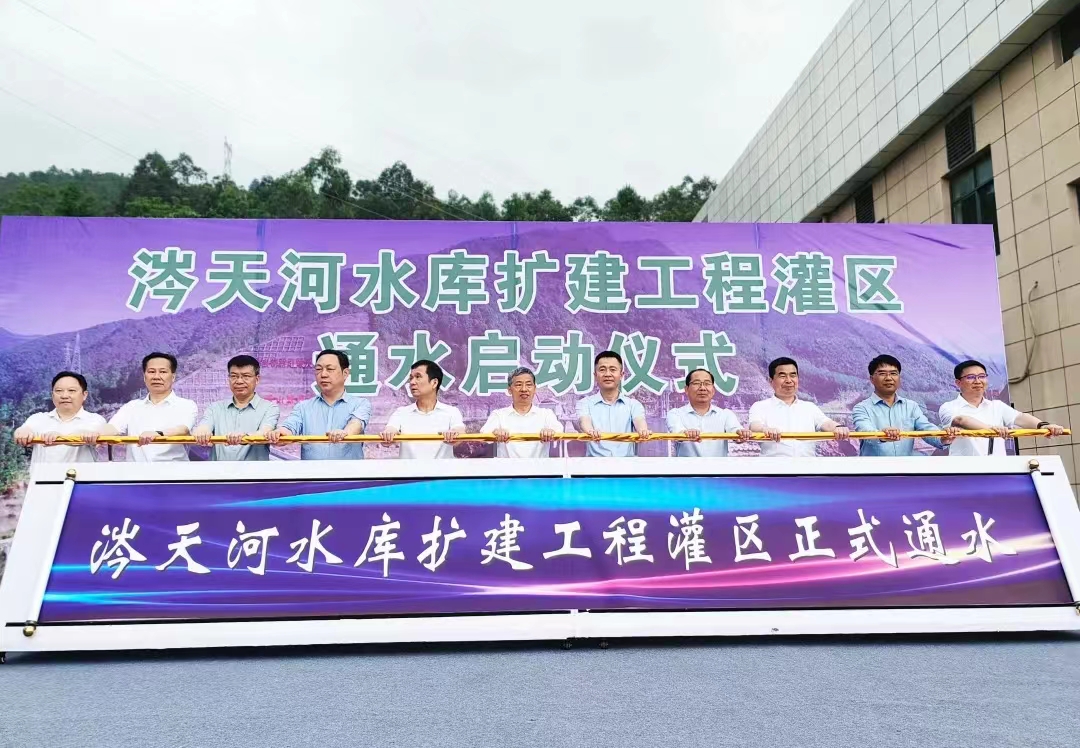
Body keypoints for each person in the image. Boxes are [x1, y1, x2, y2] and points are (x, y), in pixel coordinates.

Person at [939, 359, 1064, 456]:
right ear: (958, 383)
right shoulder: (949, 407)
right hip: (964, 472)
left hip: (998, 469)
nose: (977, 381)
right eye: (971, 377)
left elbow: (1020, 417)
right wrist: (992, 430)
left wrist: (1043, 426)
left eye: (982, 376)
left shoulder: (997, 406)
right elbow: (961, 420)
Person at [87, 352, 198, 462]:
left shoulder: (186, 405)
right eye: (151, 372)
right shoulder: (132, 407)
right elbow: (113, 427)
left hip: (174, 470)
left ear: (173, 377)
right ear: (145, 377)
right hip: (137, 471)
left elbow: (183, 429)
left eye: (163, 372)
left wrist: (158, 434)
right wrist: (97, 434)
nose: (156, 377)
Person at [267, 349, 371, 460]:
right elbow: (289, 427)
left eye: (330, 369)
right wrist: (280, 434)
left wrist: (344, 433)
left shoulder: (360, 404)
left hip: (349, 471)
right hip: (312, 471)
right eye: (318, 369)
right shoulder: (303, 407)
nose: (323, 374)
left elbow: (356, 424)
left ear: (345, 373)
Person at [851, 355, 959, 456]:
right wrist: (882, 435)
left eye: (893, 373)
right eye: (882, 373)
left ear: (899, 378)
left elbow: (926, 429)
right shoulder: (861, 408)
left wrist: (943, 438)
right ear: (872, 379)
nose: (888, 378)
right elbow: (865, 432)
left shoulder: (911, 406)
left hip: (905, 468)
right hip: (873, 469)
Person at [748, 357, 849, 457]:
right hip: (773, 466)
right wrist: (765, 429)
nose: (789, 380)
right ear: (771, 381)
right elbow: (755, 427)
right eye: (782, 376)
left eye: (793, 375)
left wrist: (838, 427)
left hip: (806, 466)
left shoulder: (809, 407)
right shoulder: (760, 406)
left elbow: (826, 423)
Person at [192, 355, 280, 461]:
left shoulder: (270, 408)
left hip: (254, 471)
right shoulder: (214, 408)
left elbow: (265, 432)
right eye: (234, 376)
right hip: (219, 471)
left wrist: (244, 437)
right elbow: (204, 426)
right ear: (228, 379)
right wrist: (202, 432)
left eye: (246, 376)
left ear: (257, 379)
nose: (239, 381)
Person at [14, 371, 107, 464]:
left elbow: (87, 435)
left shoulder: (95, 419)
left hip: (81, 474)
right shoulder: (37, 418)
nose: (64, 396)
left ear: (84, 395)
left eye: (71, 390)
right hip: (42, 474)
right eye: (59, 391)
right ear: (52, 395)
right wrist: (21, 432)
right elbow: (22, 431)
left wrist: (59, 437)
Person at [381, 360, 465, 459]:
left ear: (434, 383)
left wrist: (453, 434)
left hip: (442, 469)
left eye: (418, 377)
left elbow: (460, 433)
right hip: (409, 469)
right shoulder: (401, 412)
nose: (412, 382)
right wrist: (389, 434)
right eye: (411, 378)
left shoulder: (451, 412)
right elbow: (390, 429)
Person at [576, 350, 650, 457]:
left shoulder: (633, 405)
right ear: (595, 375)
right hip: (595, 465)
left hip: (627, 464)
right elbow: (584, 421)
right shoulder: (584, 403)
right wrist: (591, 431)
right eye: (602, 370)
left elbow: (639, 421)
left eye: (613, 370)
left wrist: (643, 431)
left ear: (621, 375)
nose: (607, 374)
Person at [666, 368, 752, 457]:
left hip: (718, 466)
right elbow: (677, 432)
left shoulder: (726, 414)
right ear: (686, 389)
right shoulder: (675, 414)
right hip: (687, 466)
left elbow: (735, 430)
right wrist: (685, 433)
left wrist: (741, 434)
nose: (702, 388)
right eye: (696, 383)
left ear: (713, 390)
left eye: (707, 383)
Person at [480, 367, 562, 458]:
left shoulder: (546, 414)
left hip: (538, 466)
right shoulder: (499, 415)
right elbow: (484, 434)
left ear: (534, 389)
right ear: (509, 390)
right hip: (507, 467)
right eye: (518, 385)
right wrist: (495, 432)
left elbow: (559, 431)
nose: (524, 389)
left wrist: (550, 432)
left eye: (528, 385)